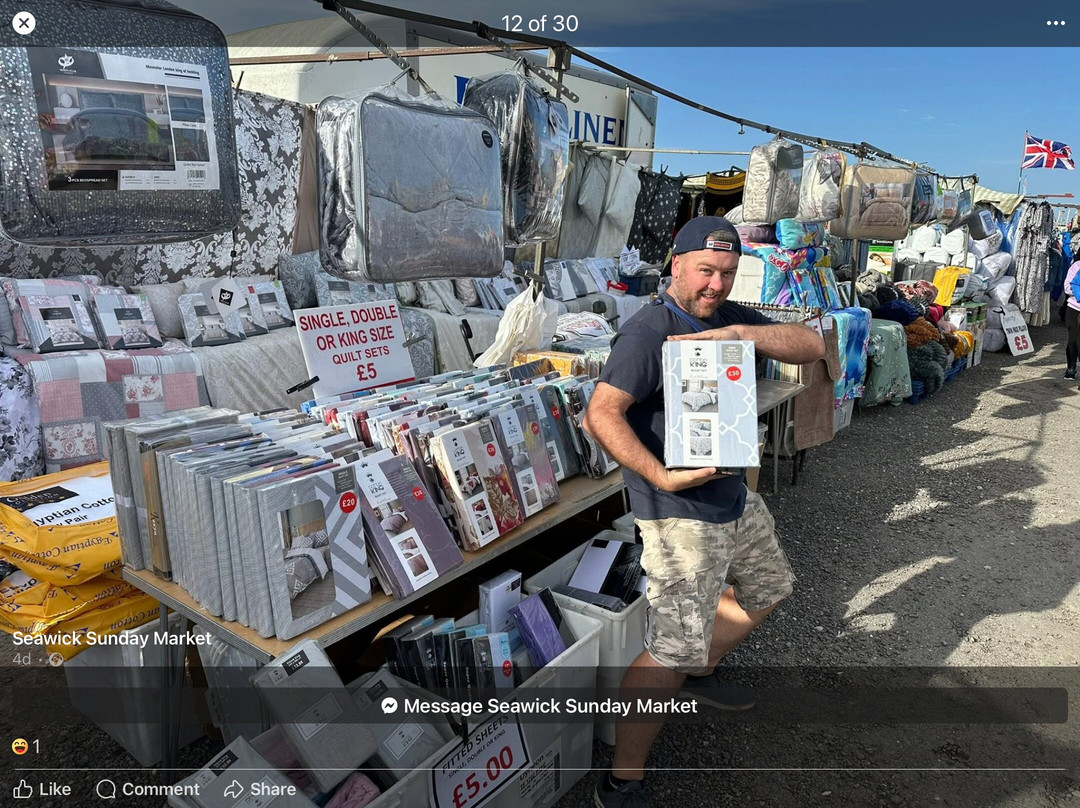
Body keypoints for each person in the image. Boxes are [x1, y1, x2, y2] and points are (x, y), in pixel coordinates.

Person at [583, 216, 825, 808]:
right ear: (675, 264)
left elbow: (813, 345)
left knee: (768, 588)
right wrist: (661, 475)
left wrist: (736, 334)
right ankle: (621, 780)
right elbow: (601, 414)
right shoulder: (648, 332)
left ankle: (700, 665)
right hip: (676, 510)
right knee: (670, 646)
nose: (715, 283)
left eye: (726, 272)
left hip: (732, 495)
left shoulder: (726, 316)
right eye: (705, 270)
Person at [1064, 258, 1080, 381]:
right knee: (1073, 339)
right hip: (1073, 308)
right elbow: (1067, 287)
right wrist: (1078, 292)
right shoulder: (1076, 266)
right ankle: (1071, 368)